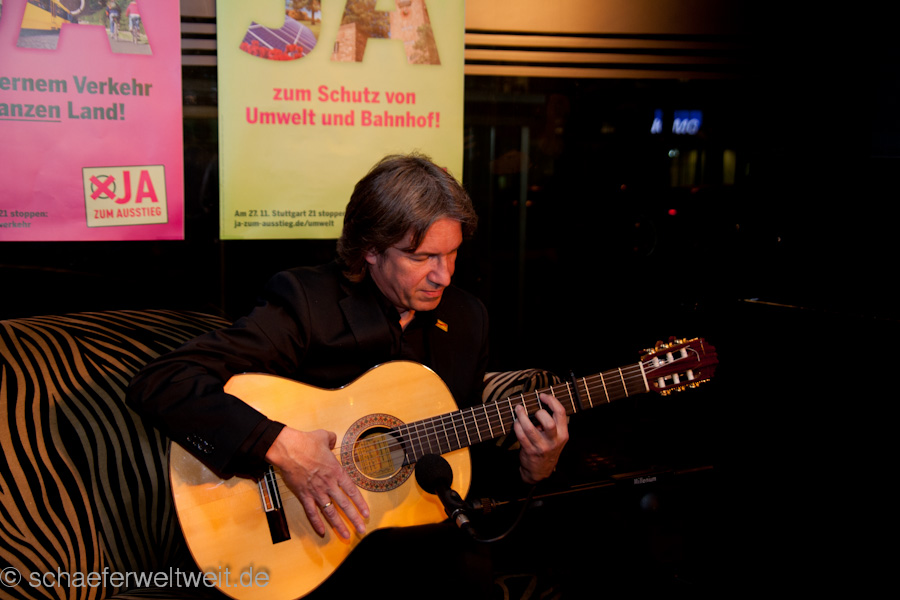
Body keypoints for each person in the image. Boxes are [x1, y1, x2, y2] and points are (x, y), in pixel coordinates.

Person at [127, 153, 568, 597]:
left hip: (417, 541)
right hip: (309, 543)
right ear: (370, 250)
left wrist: (533, 468)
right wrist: (280, 445)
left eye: (453, 253)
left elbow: (460, 457)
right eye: (423, 257)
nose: (445, 276)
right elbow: (163, 380)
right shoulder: (307, 302)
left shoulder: (467, 319)